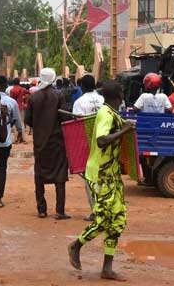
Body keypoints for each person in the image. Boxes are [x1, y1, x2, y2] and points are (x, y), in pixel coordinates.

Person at [68, 81, 135, 281]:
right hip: (100, 174)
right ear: (120, 95)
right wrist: (125, 130)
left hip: (111, 173)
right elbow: (101, 140)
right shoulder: (105, 113)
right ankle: (76, 245)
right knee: (104, 219)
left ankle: (107, 268)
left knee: (118, 220)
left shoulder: (112, 113)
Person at [25, 68, 70, 220]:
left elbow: (27, 120)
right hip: (57, 142)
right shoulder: (59, 95)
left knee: (39, 176)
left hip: (39, 142)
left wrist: (38, 127)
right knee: (60, 177)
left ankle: (42, 210)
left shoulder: (33, 97)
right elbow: (65, 118)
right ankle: (60, 211)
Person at [71, 74, 105, 222]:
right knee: (104, 177)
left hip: (88, 145)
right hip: (105, 142)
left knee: (90, 179)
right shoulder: (104, 100)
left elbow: (77, 125)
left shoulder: (79, 102)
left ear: (82, 87)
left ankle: (95, 211)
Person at [0, 75, 25, 207]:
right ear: (6, 86)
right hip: (4, 141)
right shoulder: (11, 102)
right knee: (2, 168)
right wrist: (20, 133)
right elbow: (17, 120)